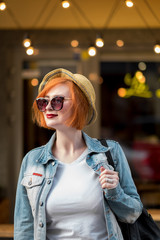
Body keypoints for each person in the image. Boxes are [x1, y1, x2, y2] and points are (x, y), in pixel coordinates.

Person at [14, 68, 143, 240]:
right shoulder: (32, 161)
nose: (49, 107)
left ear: (79, 105)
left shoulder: (110, 153)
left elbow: (132, 214)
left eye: (58, 100)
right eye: (43, 102)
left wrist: (114, 192)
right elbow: (24, 227)